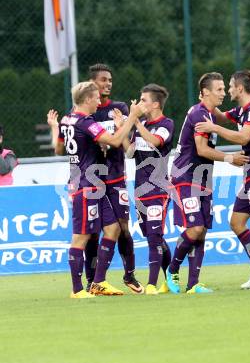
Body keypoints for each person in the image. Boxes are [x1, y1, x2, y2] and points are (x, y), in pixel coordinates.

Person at [47, 81, 145, 298]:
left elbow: (58, 148)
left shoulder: (67, 119)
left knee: (113, 228)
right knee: (81, 237)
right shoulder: (85, 123)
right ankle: (77, 289)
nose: (99, 101)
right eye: (96, 98)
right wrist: (132, 116)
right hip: (86, 185)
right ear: (88, 99)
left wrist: (55, 128)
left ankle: (98, 282)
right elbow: (116, 140)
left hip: (93, 184)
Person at [166, 72, 249, 294]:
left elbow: (225, 118)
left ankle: (193, 283)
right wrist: (231, 158)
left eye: (224, 88)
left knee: (201, 232)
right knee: (195, 228)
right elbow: (202, 149)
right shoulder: (200, 114)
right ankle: (172, 270)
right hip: (185, 178)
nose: (223, 93)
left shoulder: (209, 115)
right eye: (219, 89)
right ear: (205, 92)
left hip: (202, 178)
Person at [195, 70, 250, 289]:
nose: (227, 90)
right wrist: (206, 101)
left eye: (229, 86)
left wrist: (213, 128)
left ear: (240, 88)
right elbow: (221, 116)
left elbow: (243, 137)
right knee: (237, 223)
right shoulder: (241, 111)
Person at [86, 63, 144, 294]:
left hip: (116, 176)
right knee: (92, 232)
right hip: (91, 179)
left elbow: (126, 144)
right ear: (92, 84)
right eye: (103, 80)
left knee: (122, 228)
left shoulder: (119, 108)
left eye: (110, 79)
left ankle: (129, 274)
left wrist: (119, 130)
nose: (108, 83)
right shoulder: (85, 111)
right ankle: (92, 279)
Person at [119, 84, 174, 295]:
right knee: (154, 236)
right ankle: (171, 277)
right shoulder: (141, 123)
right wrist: (124, 129)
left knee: (153, 237)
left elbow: (154, 141)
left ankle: (152, 285)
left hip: (158, 190)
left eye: (143, 100)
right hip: (140, 191)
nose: (140, 103)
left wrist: (133, 120)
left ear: (155, 104)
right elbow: (131, 152)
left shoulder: (166, 124)